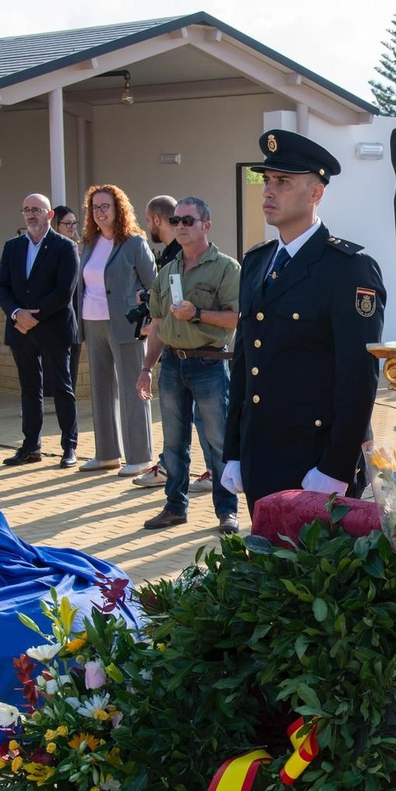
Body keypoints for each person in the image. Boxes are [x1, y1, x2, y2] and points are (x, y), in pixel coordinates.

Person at [222, 130, 385, 510]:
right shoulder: (257, 262)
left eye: (283, 182)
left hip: (315, 463)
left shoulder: (349, 269)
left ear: (316, 193)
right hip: (261, 454)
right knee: (262, 565)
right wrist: (235, 448)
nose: (268, 191)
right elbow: (244, 361)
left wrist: (337, 465)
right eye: (267, 180)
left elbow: (359, 378)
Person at [137, 196, 241, 533]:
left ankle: (227, 511)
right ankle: (174, 507)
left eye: (188, 221)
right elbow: (156, 325)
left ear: (205, 225)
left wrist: (197, 313)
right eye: (176, 220)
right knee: (172, 443)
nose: (180, 226)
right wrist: (146, 368)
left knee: (218, 442)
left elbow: (236, 317)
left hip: (209, 364)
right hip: (171, 365)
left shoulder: (226, 268)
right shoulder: (167, 270)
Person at [0, 193, 81, 468]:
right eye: (26, 210)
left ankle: (69, 446)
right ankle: (31, 446)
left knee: (62, 387)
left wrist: (34, 317)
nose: (31, 215)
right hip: (21, 329)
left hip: (53, 328)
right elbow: (1, 287)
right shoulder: (13, 247)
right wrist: (17, 314)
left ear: (50, 215)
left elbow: (63, 291)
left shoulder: (64, 247)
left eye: (37, 210)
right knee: (30, 390)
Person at [77, 184, 159, 476]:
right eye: (94, 207)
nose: (99, 213)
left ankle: (140, 456)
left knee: (131, 390)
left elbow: (154, 284)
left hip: (125, 324)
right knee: (100, 390)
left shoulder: (134, 243)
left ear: (118, 209)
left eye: (105, 207)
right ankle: (107, 454)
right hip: (92, 320)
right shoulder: (88, 243)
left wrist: (150, 320)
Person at [125, 195, 184, 489]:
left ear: (157, 220)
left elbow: (179, 301)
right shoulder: (170, 253)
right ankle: (168, 467)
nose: (148, 226)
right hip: (172, 345)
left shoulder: (178, 254)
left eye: (148, 221)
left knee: (199, 422)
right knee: (177, 422)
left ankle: (211, 472)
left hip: (190, 349)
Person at [51, 204, 84, 402]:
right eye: (67, 223)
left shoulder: (80, 248)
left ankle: (67, 398)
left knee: (74, 355)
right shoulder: (53, 249)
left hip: (77, 310)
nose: (72, 227)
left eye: (74, 223)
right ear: (56, 224)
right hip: (57, 311)